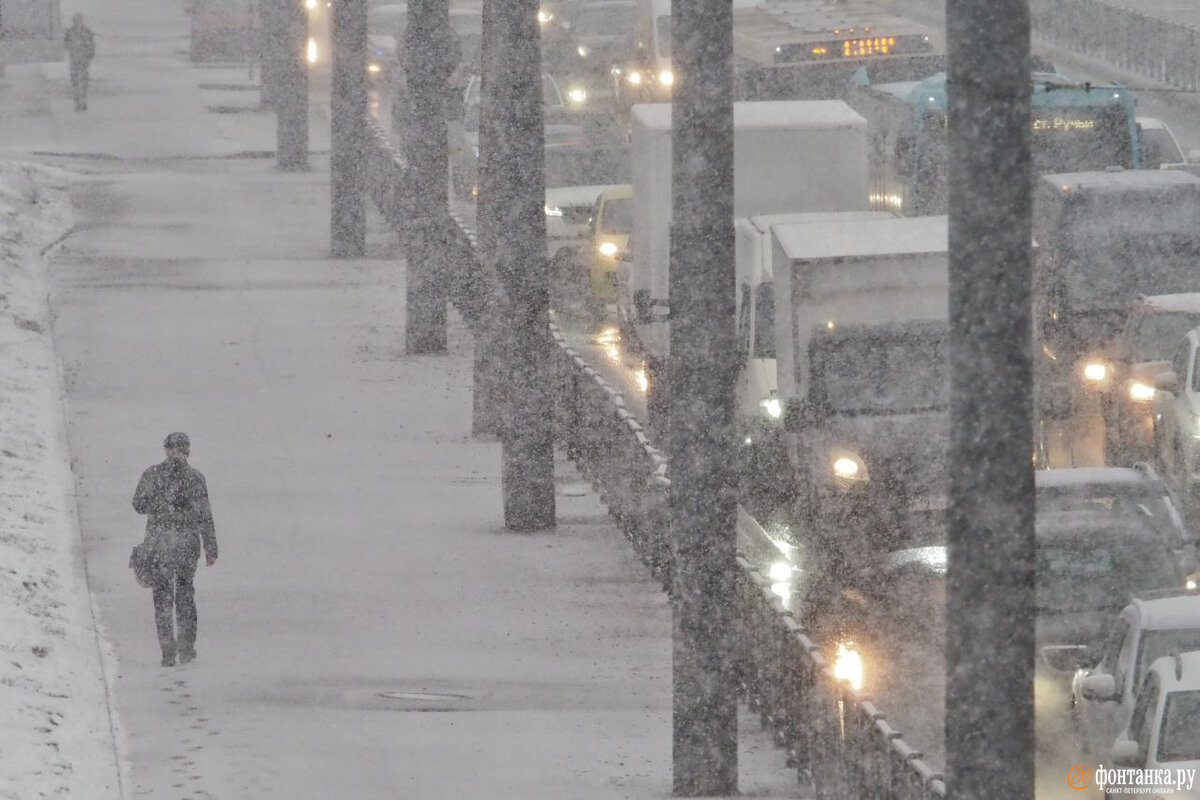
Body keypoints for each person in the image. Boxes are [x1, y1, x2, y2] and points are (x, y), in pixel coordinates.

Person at [132, 432, 218, 667]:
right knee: (185, 595)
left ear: (166, 450)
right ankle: (186, 649)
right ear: (187, 450)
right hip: (187, 546)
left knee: (162, 599)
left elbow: (138, 504)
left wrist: (160, 506)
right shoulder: (196, 478)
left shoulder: (152, 474)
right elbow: (204, 515)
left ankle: (168, 652)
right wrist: (211, 549)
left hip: (159, 545)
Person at [63, 13, 95, 112]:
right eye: (76, 20)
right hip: (74, 60)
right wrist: (73, 46)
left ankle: (83, 101)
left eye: (79, 20)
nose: (78, 22)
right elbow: (65, 44)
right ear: (74, 21)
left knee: (84, 81)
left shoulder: (87, 31)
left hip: (84, 60)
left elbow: (92, 45)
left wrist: (89, 55)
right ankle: (77, 102)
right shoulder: (69, 31)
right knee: (75, 81)